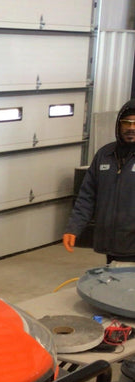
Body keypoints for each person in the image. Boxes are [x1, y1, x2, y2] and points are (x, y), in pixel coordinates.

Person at [64, 99, 135, 263]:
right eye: (127, 123)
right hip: (110, 242)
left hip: (132, 243)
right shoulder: (104, 155)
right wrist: (73, 228)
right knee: (114, 283)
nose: (131, 128)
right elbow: (87, 196)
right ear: (119, 125)